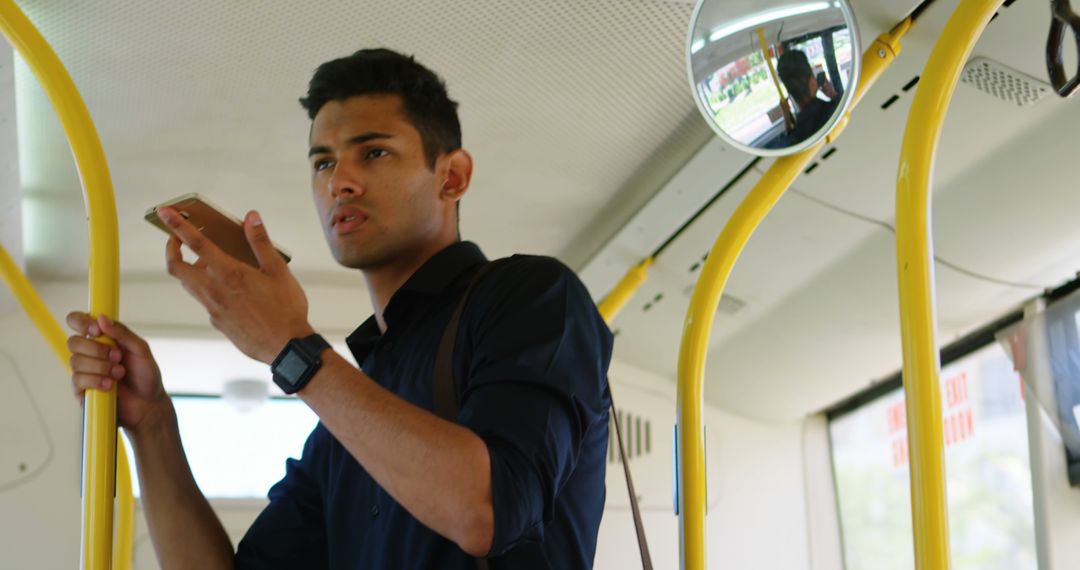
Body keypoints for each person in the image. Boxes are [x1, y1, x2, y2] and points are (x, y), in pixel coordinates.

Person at [65, 48, 613, 569]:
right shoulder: (346, 418)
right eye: (323, 162)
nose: (339, 182)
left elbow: (485, 510)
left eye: (373, 152)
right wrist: (153, 425)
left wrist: (292, 348)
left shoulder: (533, 296)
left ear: (452, 176)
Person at [776, 49, 840, 144]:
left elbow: (790, 138)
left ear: (789, 91)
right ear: (812, 81)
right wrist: (834, 95)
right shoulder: (836, 110)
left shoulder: (797, 137)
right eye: (813, 76)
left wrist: (787, 117)